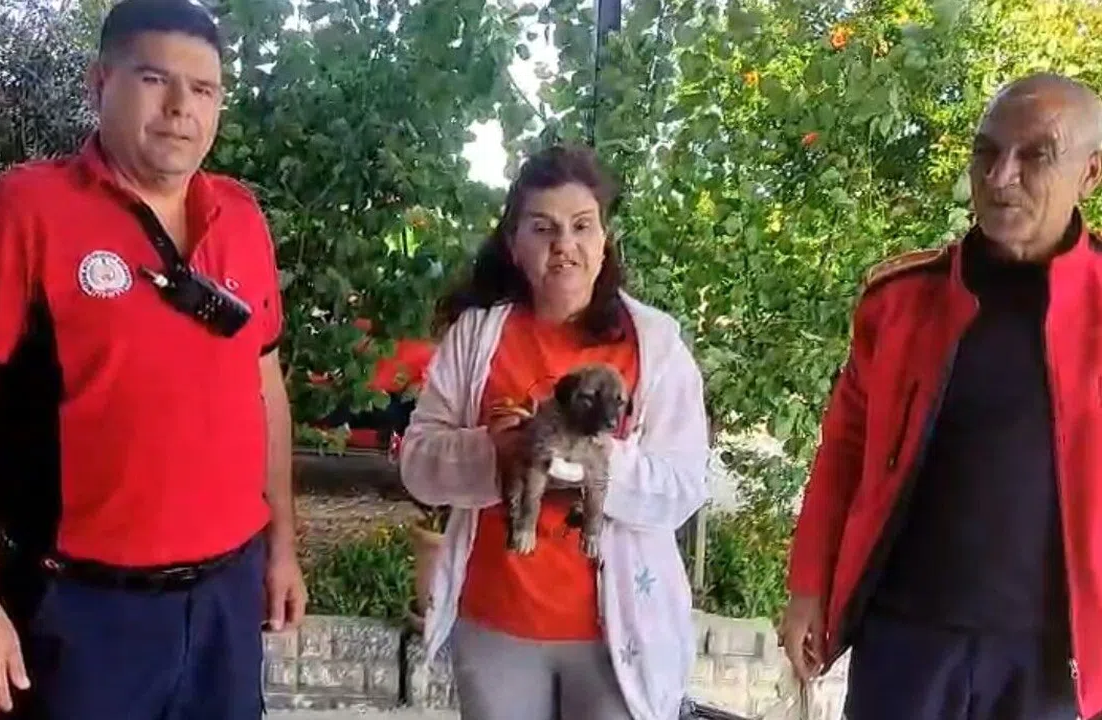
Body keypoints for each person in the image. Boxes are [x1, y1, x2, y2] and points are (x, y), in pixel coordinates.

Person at [0, 1, 306, 718]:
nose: (180, 107)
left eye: (203, 89)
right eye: (154, 79)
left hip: (226, 599)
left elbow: (264, 389)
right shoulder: (26, 211)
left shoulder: (241, 218)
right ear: (99, 84)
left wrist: (282, 548)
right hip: (79, 612)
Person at [780, 72, 1102, 720]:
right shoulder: (900, 301)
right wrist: (808, 587)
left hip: (1049, 659)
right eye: (987, 152)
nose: (1001, 176)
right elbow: (842, 452)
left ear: (1089, 174)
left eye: (1035, 155)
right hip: (904, 639)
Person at [398, 145, 710, 720]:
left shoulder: (656, 343)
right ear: (514, 245)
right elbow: (417, 463)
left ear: (604, 239)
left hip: (620, 636)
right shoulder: (476, 337)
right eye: (542, 228)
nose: (564, 244)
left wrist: (594, 462)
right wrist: (493, 452)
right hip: (497, 623)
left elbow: (685, 483)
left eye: (581, 226)